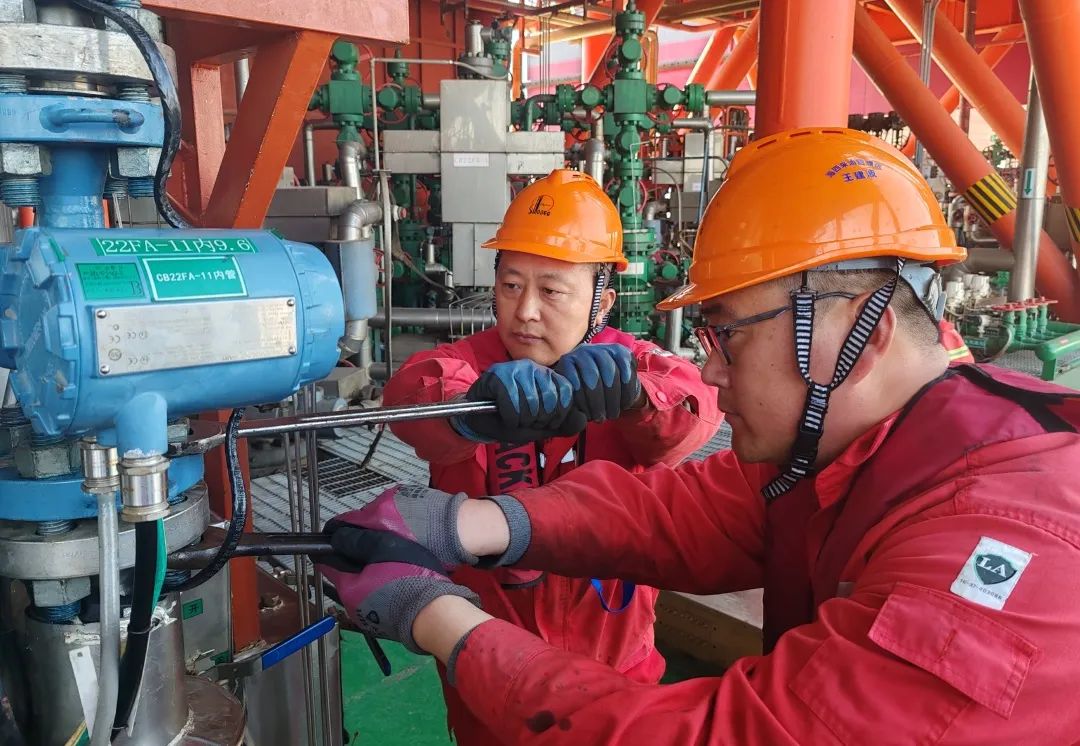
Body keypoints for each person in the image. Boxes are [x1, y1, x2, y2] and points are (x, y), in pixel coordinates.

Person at [320, 129, 1080, 743]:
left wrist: (437, 615)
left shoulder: (1004, 560)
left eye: (729, 336)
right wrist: (471, 523)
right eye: (511, 284)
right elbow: (685, 510)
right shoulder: (866, 453)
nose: (713, 370)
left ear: (860, 332)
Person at [369, 169, 722, 743]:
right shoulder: (468, 367)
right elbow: (410, 397)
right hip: (490, 665)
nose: (526, 310)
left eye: (552, 291)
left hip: (615, 664)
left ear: (602, 302)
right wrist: (470, 410)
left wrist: (634, 398)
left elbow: (692, 412)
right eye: (511, 286)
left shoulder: (631, 366)